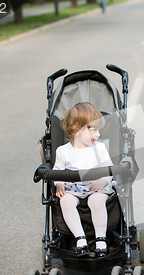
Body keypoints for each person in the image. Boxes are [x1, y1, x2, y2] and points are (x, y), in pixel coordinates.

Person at [53, 102, 114, 258]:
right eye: (93, 130)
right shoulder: (63, 151)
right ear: (75, 129)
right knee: (65, 201)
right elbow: (57, 172)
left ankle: (101, 239)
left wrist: (103, 182)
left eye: (98, 130)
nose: (98, 135)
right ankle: (80, 238)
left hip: (96, 186)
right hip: (74, 187)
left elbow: (109, 169)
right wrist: (59, 184)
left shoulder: (99, 148)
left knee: (96, 201)